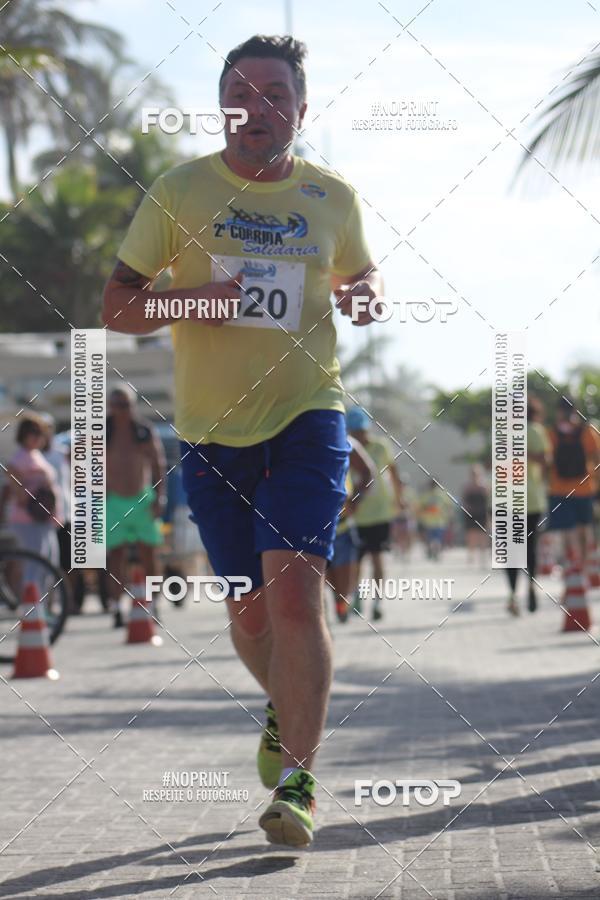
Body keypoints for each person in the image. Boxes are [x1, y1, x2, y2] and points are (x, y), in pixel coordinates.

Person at [102, 35, 383, 847]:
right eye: (239, 90)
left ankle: (298, 783)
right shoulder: (180, 191)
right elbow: (118, 308)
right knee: (252, 615)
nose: (255, 106)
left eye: (273, 92)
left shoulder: (333, 196)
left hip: (309, 414)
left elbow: (359, 278)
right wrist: (198, 302)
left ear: (302, 106)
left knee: (297, 595)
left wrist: (366, 293)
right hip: (210, 430)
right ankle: (281, 706)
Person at [105, 386, 166, 627]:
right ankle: (116, 607)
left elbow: (158, 464)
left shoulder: (143, 430)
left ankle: (154, 604)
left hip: (142, 500)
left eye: (126, 405)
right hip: (114, 503)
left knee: (148, 554)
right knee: (115, 556)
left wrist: (160, 497)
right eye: (117, 405)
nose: (122, 410)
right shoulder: (103, 431)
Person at [346, 407, 403, 621]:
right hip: (357, 512)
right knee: (357, 560)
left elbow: (394, 473)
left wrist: (398, 499)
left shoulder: (381, 446)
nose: (358, 435)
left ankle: (378, 601)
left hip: (380, 511)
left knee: (377, 557)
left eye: (360, 430)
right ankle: (358, 598)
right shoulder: (348, 447)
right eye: (354, 431)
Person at [0, 414, 61, 590]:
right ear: (23, 434)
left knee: (50, 562)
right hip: (29, 519)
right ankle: (32, 604)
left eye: (40, 432)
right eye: (32, 432)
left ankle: (42, 605)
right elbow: (17, 489)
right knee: (35, 564)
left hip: (44, 519)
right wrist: (38, 491)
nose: (37, 436)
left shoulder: (36, 455)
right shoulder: (20, 458)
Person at [505, 397, 551, 615]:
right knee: (528, 548)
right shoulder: (535, 430)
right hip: (529, 499)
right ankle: (526, 588)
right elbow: (546, 461)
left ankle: (516, 594)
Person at [327, 435, 376, 623]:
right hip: (310, 526)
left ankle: (341, 602)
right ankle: (324, 614)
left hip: (342, 523)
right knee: (321, 575)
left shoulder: (344, 440)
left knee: (344, 578)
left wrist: (356, 501)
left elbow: (367, 472)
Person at [547, 395, 600, 568]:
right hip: (585, 487)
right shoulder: (587, 431)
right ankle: (583, 565)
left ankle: (570, 568)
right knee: (584, 528)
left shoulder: (552, 432)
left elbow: (547, 461)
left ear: (558, 411)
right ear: (576, 410)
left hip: (559, 488)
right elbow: (597, 459)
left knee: (564, 531)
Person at [461, 464, 489, 567]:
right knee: (471, 535)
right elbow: (464, 500)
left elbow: (488, 501)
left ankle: (483, 557)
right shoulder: (467, 487)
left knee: (482, 535)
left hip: (482, 513)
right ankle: (471, 556)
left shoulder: (484, 486)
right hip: (471, 513)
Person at [417, 479, 452, 561]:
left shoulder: (429, 495)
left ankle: (434, 552)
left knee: (434, 538)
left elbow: (420, 507)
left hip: (433, 522)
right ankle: (433, 551)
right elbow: (448, 506)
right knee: (434, 539)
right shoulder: (440, 494)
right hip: (435, 522)